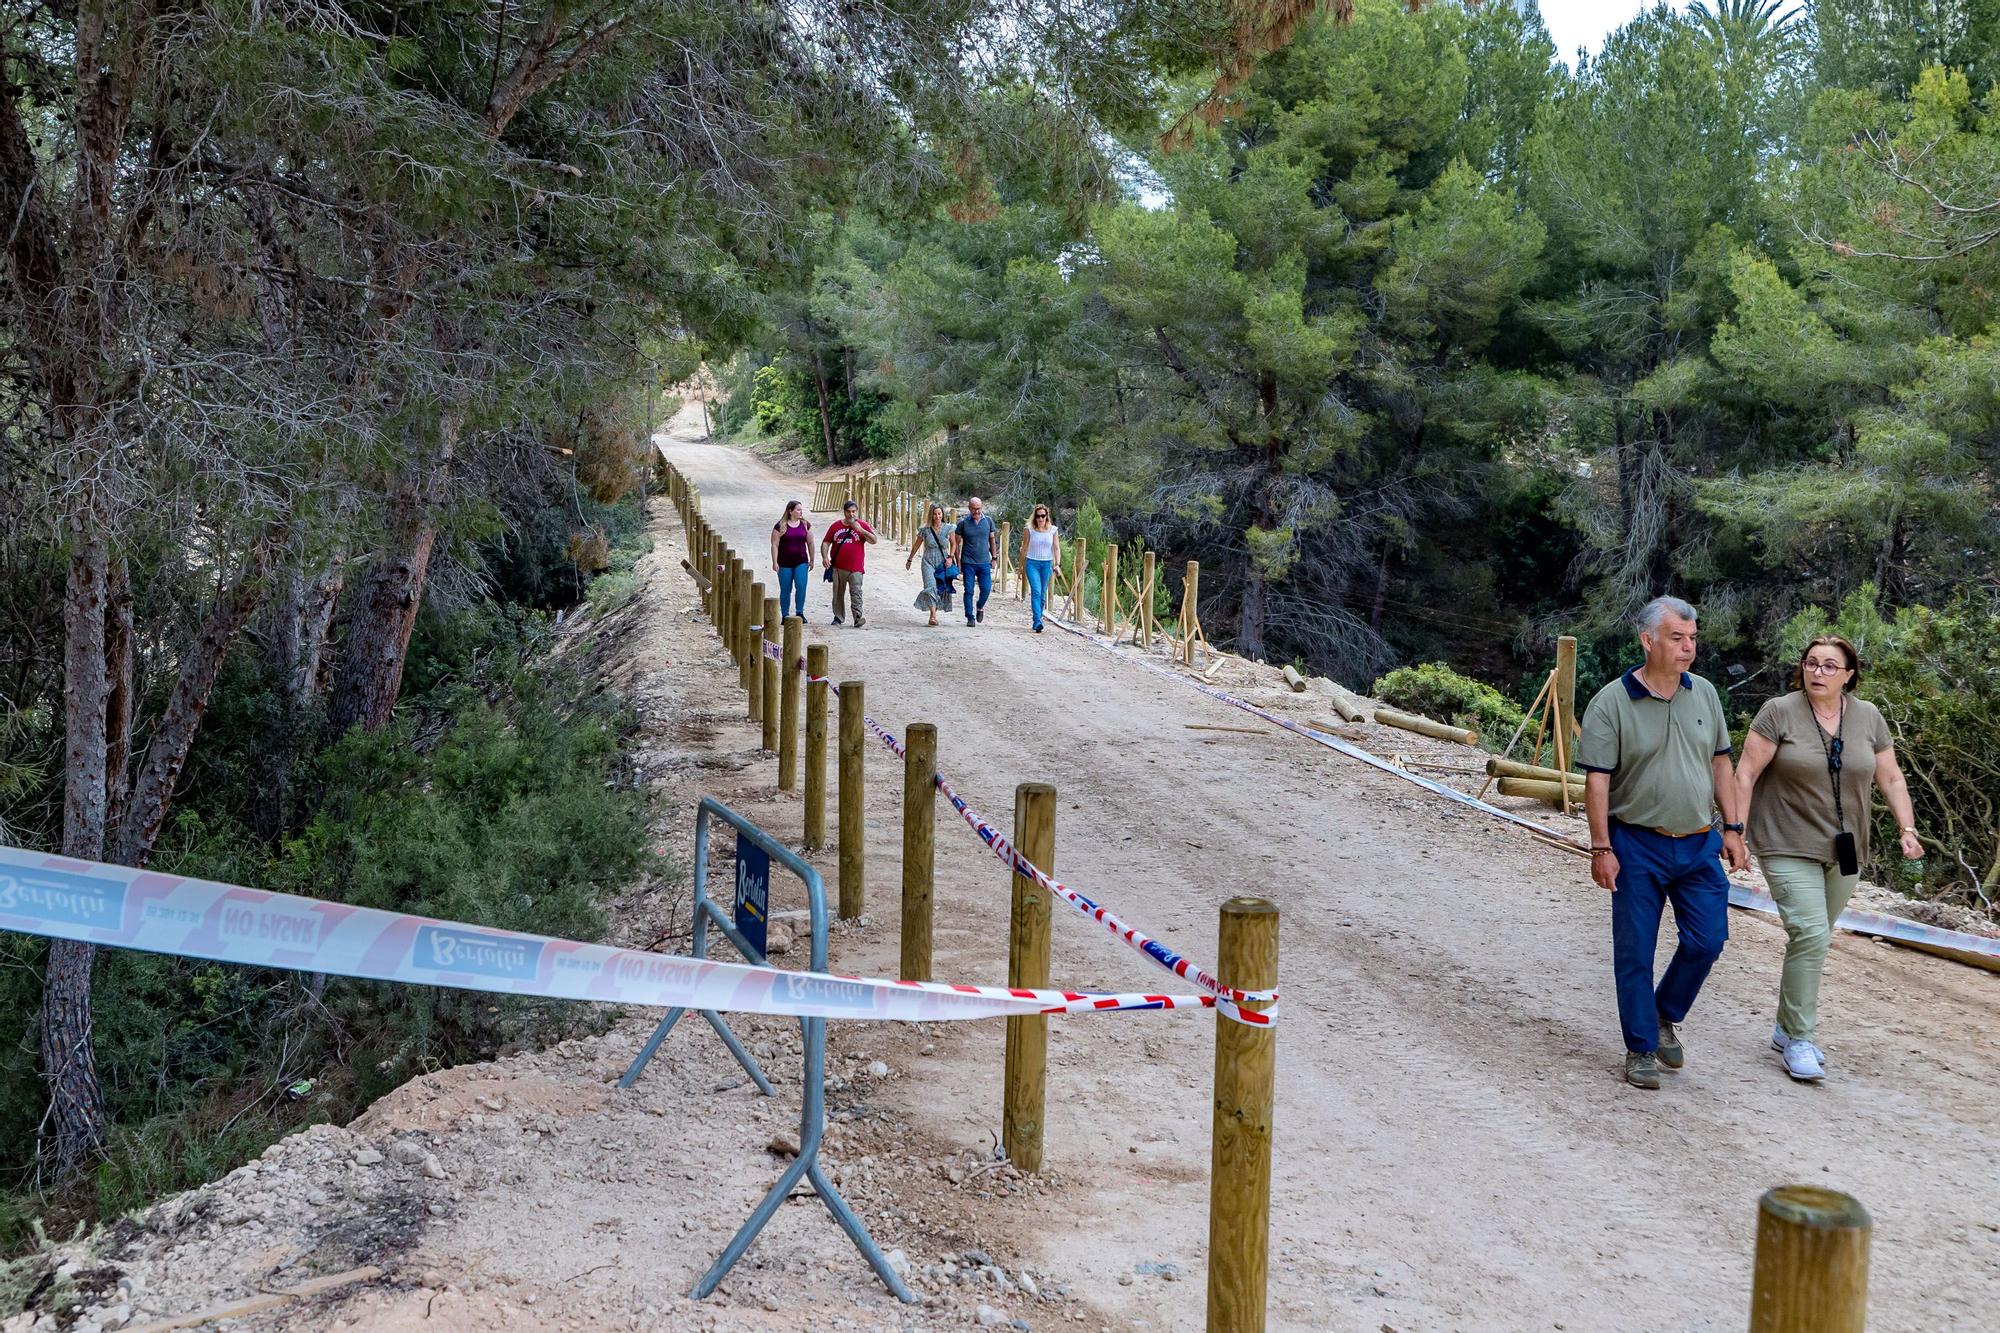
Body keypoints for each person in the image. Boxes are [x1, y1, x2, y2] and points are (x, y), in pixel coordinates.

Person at [1578, 595, 1750, 1091]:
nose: (1688, 647)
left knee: (1708, 940)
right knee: (1635, 951)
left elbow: (1722, 764)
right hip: (1636, 844)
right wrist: (1601, 847)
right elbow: (1597, 782)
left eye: (1693, 638)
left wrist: (1733, 829)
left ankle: (1662, 1013)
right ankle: (1639, 1049)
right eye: (1677, 638)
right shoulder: (1611, 702)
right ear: (1647, 640)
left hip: (1699, 844)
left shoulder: (1706, 695)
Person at [1733, 636, 1922, 1083]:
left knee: (1812, 940)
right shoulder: (1779, 711)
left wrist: (1907, 829)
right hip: (1784, 840)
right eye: (1811, 663)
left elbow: (1891, 777)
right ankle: (1799, 1039)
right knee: (1811, 931)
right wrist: (1735, 831)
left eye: (1829, 666)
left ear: (1848, 674)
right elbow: (1745, 772)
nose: (1818, 672)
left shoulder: (1868, 717)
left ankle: (1784, 1027)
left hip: (1845, 848)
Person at [820, 499, 876, 628]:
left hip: (856, 567)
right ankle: (838, 617)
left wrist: (861, 530)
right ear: (844, 512)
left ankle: (857, 617)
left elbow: (874, 540)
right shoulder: (835, 526)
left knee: (856, 592)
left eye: (854, 511)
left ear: (857, 512)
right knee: (838, 593)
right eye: (849, 512)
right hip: (838, 567)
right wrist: (825, 556)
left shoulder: (862, 524)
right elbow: (826, 542)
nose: (851, 514)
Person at [905, 503, 954, 627]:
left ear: (942, 514)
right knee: (930, 586)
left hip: (942, 561)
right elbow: (917, 545)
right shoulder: (925, 530)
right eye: (934, 514)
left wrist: (950, 557)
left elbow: (954, 544)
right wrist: (910, 559)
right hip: (928, 561)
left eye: (939, 513)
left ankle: (933, 613)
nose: (937, 516)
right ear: (931, 515)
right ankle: (933, 616)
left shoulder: (949, 528)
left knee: (939, 589)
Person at [951, 495, 998, 627]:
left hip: (984, 561)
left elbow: (992, 540)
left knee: (986, 588)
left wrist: (994, 557)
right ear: (969, 508)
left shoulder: (988, 521)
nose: (976, 511)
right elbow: (956, 543)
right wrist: (958, 561)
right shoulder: (963, 524)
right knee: (969, 590)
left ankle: (980, 606)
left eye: (978, 508)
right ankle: (970, 617)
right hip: (968, 562)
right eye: (974, 509)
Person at [769, 500, 814, 621]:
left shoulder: (805, 524)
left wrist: (812, 559)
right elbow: (774, 544)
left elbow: (810, 542)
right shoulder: (780, 526)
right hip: (784, 562)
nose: (800, 512)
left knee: (801, 586)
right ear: (790, 511)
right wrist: (774, 562)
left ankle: (800, 612)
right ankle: (785, 614)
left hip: (801, 561)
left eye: (801, 510)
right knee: (785, 589)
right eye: (798, 510)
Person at [1021, 504, 1060, 633]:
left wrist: (1057, 564)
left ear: (1047, 516)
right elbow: (1025, 547)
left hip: (1046, 564)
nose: (1040, 519)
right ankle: (1037, 620)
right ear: (1035, 517)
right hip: (1032, 563)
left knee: (1042, 593)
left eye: (1043, 516)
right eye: (1038, 516)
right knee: (1036, 591)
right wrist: (1021, 565)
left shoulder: (1053, 530)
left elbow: (1056, 548)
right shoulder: (1029, 530)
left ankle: (1038, 617)